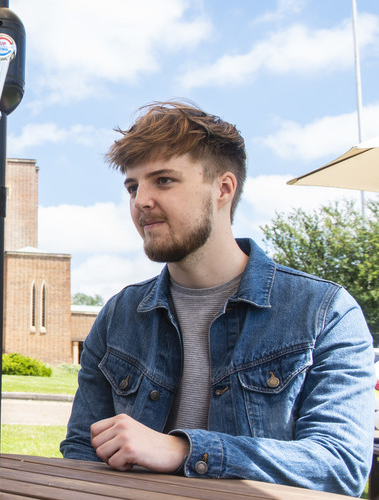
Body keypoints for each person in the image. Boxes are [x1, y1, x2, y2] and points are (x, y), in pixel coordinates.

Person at [60, 101, 373, 496]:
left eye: (164, 180)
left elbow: (340, 466)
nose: (140, 201)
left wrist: (183, 451)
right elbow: (80, 450)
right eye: (132, 186)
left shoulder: (324, 312)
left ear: (223, 188)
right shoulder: (119, 315)